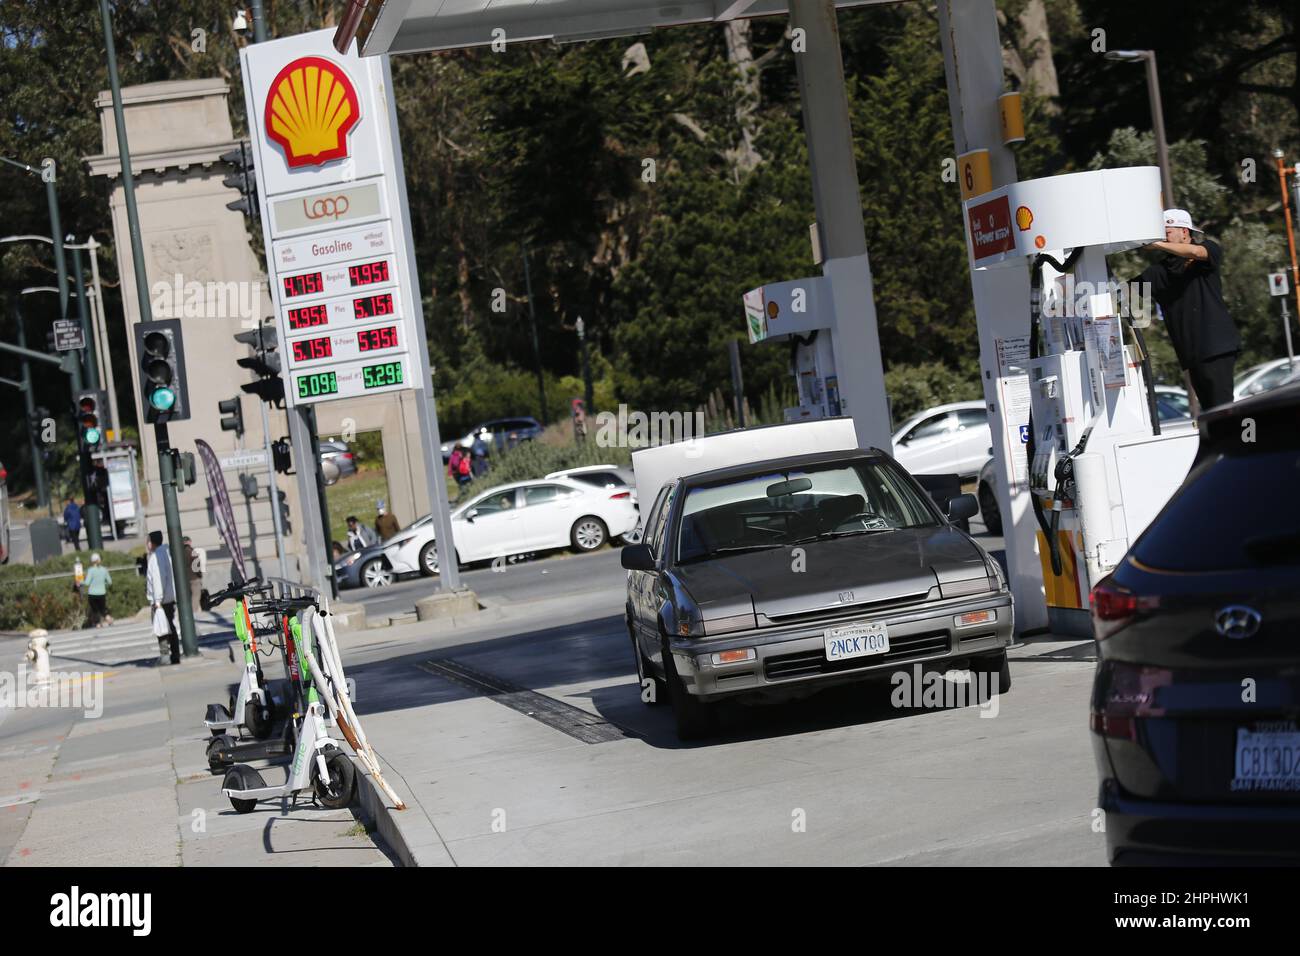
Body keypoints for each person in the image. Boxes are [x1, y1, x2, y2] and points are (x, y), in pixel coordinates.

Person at [1137, 208, 1241, 410]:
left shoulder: (1207, 249)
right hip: (1192, 352)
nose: (1162, 238)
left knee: (1222, 409)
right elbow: (1123, 293)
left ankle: (1237, 441)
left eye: (1166, 232)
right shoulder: (1159, 272)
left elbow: (1196, 252)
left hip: (1215, 346)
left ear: (1184, 232)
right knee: (1210, 412)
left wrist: (1156, 244)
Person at [146, 531, 179, 664]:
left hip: (161, 600)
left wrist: (157, 600)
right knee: (170, 626)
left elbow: (158, 579)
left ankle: (165, 655)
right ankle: (175, 654)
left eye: (148, 541)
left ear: (151, 542)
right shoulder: (167, 553)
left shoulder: (156, 557)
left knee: (162, 628)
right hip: (169, 597)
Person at [84, 552, 113, 628]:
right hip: (102, 593)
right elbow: (110, 582)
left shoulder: (91, 570)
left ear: (91, 561)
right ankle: (108, 618)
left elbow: (87, 583)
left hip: (92, 593)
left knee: (95, 610)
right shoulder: (104, 570)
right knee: (102, 609)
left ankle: (98, 624)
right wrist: (104, 584)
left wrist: (80, 582)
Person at [182, 536, 203, 614]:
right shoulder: (191, 551)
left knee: (189, 596)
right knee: (196, 595)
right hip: (194, 577)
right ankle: (193, 612)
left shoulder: (180, 553)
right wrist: (199, 574)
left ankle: (192, 611)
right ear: (189, 542)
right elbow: (197, 564)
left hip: (185, 578)